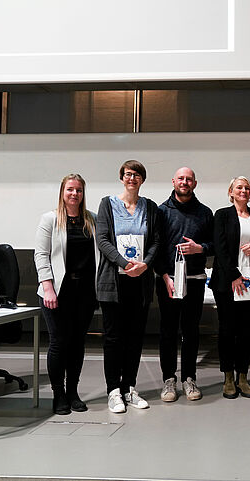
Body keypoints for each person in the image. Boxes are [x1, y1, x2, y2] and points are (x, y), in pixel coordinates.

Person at [96, 160, 160, 413]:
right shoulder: (107, 204)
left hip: (140, 282)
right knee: (114, 338)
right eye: (128, 174)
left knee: (135, 337)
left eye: (137, 175)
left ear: (142, 180)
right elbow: (102, 239)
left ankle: (129, 388)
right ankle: (113, 391)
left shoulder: (151, 208)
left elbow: (156, 241)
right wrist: (124, 263)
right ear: (121, 178)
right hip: (114, 282)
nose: (132, 178)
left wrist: (144, 264)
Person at [35, 174, 99, 415]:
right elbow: (41, 255)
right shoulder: (50, 219)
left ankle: (73, 392)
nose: (75, 194)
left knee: (77, 343)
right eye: (70, 190)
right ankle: (58, 394)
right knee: (59, 342)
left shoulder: (91, 219)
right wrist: (48, 287)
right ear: (63, 192)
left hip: (84, 292)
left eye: (79, 190)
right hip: (56, 292)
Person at [209, 176, 250, 399]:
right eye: (239, 187)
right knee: (227, 330)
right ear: (231, 191)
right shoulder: (222, 215)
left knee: (246, 330)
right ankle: (227, 378)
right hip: (227, 282)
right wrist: (234, 275)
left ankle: (243, 377)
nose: (243, 190)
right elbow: (220, 248)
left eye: (247, 187)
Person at [155, 167, 214, 403]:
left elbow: (214, 245)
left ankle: (190, 378)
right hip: (169, 281)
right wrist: (164, 276)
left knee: (191, 331)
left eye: (189, 179)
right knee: (168, 331)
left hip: (196, 279)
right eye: (181, 178)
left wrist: (200, 248)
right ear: (173, 181)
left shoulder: (205, 213)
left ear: (195, 184)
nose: (185, 182)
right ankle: (169, 379)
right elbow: (155, 247)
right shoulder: (160, 212)